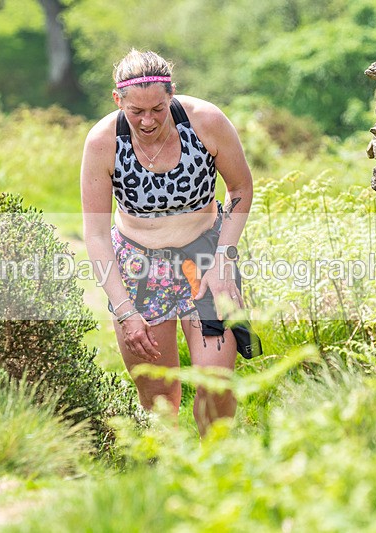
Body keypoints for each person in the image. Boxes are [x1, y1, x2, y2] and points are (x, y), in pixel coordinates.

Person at [80, 49, 259, 436]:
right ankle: (171, 474)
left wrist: (224, 259)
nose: (147, 121)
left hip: (204, 258)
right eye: (136, 111)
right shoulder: (102, 142)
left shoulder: (206, 122)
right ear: (118, 101)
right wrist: (125, 310)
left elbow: (241, 188)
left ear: (171, 95)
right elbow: (94, 233)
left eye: (158, 109)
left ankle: (216, 471)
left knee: (216, 383)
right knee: (158, 398)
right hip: (138, 268)